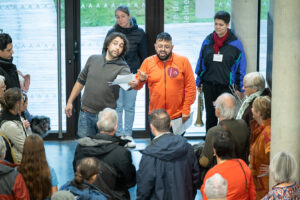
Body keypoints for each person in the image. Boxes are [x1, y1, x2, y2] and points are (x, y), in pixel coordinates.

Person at [130, 32, 196, 137]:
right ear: (155, 46)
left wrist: (186, 109)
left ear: (172, 47)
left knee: (177, 149)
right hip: (156, 116)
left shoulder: (183, 61)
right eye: (160, 46)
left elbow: (191, 87)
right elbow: (137, 86)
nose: (163, 49)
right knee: (157, 148)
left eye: (167, 46)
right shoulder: (148, 62)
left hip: (177, 115)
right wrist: (141, 80)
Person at [65, 32, 131, 138]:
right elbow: (80, 81)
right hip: (86, 114)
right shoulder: (93, 59)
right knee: (85, 149)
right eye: (115, 43)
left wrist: (136, 81)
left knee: (105, 150)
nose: (118, 47)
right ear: (107, 44)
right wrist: (69, 102)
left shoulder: (123, 67)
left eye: (121, 46)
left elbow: (128, 85)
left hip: (106, 116)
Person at [195, 11, 246, 132]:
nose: (217, 27)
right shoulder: (207, 41)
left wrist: (240, 88)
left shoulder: (235, 44)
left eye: (221, 25)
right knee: (210, 117)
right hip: (208, 86)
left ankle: (224, 143)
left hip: (226, 87)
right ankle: (209, 142)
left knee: (226, 117)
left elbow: (241, 67)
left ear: (227, 25)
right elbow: (201, 62)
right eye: (216, 24)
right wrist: (199, 82)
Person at [105, 5, 148, 148]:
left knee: (129, 107)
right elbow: (104, 53)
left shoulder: (139, 33)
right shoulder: (112, 32)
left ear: (129, 17)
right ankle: (118, 135)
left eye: (123, 16)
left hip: (132, 75)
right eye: (117, 17)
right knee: (117, 106)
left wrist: (139, 76)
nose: (120, 19)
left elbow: (145, 57)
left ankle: (128, 135)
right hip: (116, 75)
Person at [73, 108, 136, 199]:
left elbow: (76, 172)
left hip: (87, 196)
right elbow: (130, 182)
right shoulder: (121, 153)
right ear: (115, 127)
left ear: (98, 125)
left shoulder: (81, 147)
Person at [136, 109, 200, 200]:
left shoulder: (149, 155)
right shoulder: (187, 148)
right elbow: (195, 177)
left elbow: (144, 186)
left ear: (152, 127)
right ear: (170, 124)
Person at [201, 129, 256, 200]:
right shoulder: (242, 165)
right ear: (232, 148)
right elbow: (252, 194)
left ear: (214, 150)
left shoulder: (212, 174)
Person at [199, 93, 249, 168]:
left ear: (218, 111)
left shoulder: (213, 131)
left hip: (222, 174)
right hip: (242, 169)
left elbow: (204, 162)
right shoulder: (243, 124)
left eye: (215, 106)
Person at [18, 134, 58, 200]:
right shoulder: (50, 171)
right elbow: (55, 197)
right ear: (42, 150)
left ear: (25, 150)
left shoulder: (16, 171)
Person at [0, 87, 31, 163]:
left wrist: (25, 127)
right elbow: (28, 149)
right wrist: (26, 128)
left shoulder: (16, 118)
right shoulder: (9, 126)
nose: (24, 101)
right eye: (22, 99)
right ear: (17, 103)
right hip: (20, 164)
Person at [249, 96, 271, 199]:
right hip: (260, 185)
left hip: (265, 186)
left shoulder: (267, 132)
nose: (251, 109)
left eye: (253, 107)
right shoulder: (260, 128)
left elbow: (277, 155)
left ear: (259, 113)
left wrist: (274, 169)